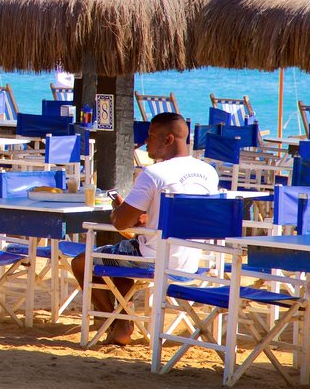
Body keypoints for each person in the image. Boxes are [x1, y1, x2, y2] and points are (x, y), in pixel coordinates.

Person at [70, 112, 219, 345]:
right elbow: (186, 214)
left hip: (153, 260)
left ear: (168, 140)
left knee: (82, 261)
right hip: (190, 261)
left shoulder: (155, 174)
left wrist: (119, 211)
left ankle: (119, 321)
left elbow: (121, 224)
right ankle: (121, 321)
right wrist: (148, 219)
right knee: (120, 253)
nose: (145, 142)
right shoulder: (209, 173)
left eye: (150, 136)